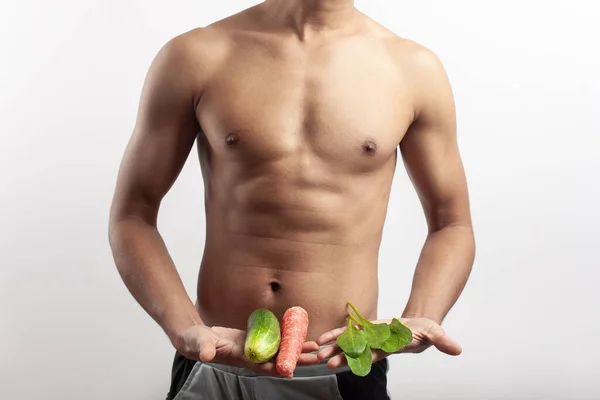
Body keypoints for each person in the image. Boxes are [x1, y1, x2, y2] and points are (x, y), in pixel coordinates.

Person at [108, 0, 475, 398]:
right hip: (214, 358)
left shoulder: (411, 69)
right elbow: (133, 215)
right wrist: (184, 330)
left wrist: (420, 317)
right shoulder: (197, 55)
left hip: (341, 365)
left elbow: (450, 222)